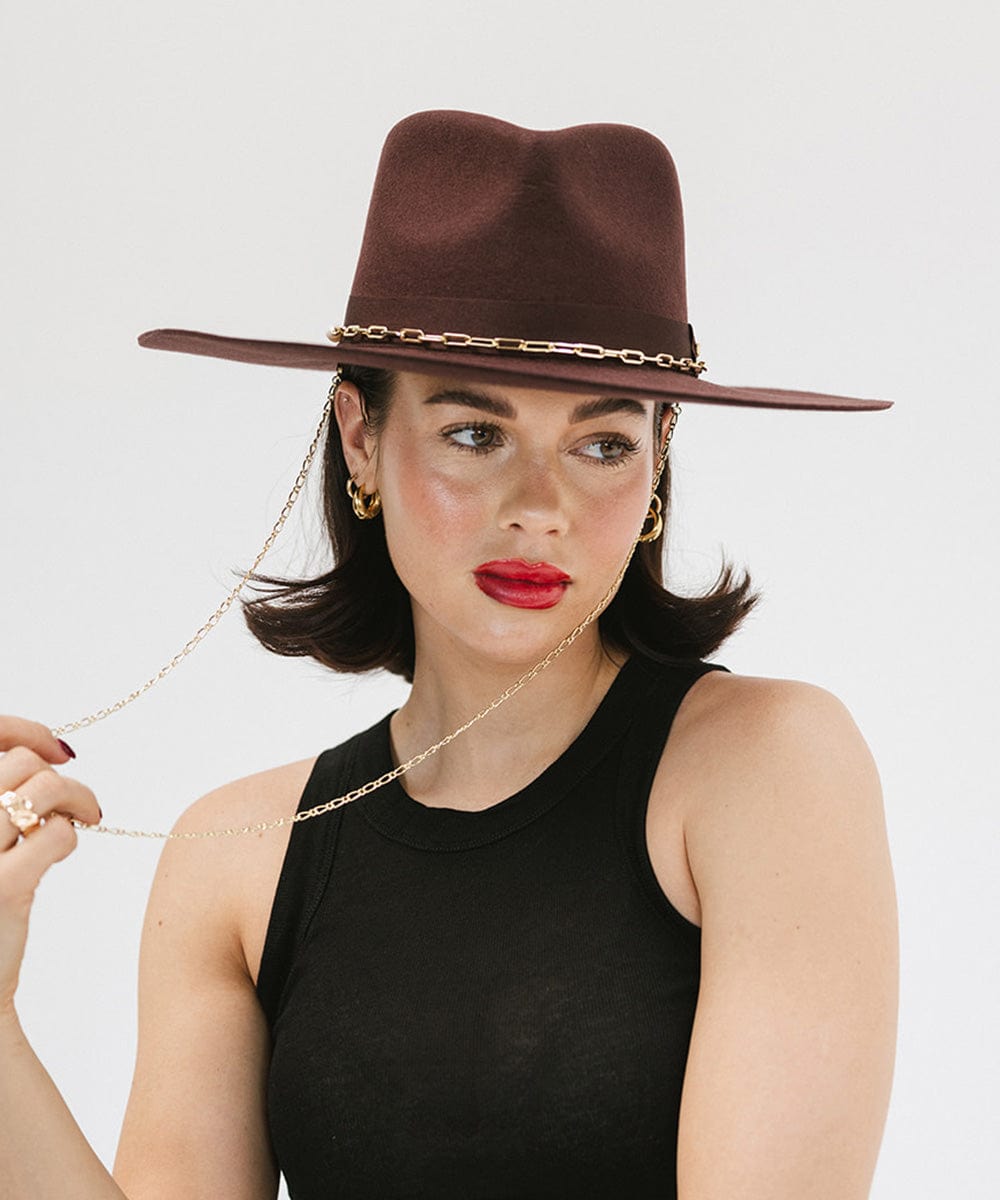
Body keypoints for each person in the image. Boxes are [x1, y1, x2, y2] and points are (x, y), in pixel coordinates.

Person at [0, 110, 899, 1198]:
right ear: (360, 436)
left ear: (660, 463)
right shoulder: (234, 861)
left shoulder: (765, 769)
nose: (541, 508)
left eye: (604, 444)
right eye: (476, 434)